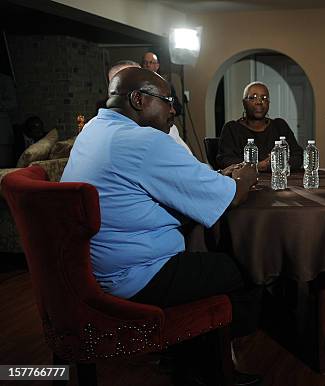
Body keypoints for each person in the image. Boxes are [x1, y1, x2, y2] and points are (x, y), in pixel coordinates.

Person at [61, 67, 261, 385]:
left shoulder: (94, 129)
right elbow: (232, 197)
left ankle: (190, 358)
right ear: (139, 99)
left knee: (205, 257)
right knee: (245, 269)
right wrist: (246, 175)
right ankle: (204, 368)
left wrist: (216, 181)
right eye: (168, 101)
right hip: (135, 275)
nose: (173, 110)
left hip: (93, 267)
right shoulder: (144, 141)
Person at [217, 81, 303, 172]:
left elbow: (298, 156)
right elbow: (224, 160)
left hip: (279, 181)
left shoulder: (280, 126)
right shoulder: (232, 128)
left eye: (264, 98)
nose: (259, 102)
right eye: (253, 98)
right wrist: (256, 166)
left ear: (269, 103)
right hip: (246, 183)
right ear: (244, 103)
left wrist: (279, 162)